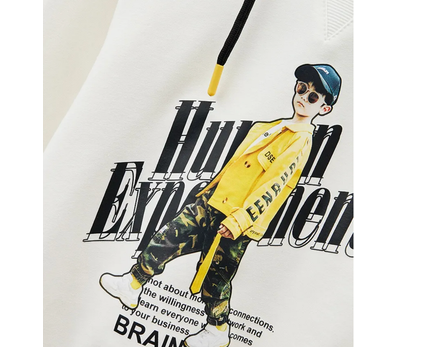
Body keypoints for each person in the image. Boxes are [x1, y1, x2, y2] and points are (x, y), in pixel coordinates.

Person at [100, 63, 342, 347]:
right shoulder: (272, 128)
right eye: (302, 88)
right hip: (213, 201)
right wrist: (207, 193)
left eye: (313, 97)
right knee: (168, 236)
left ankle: (217, 331)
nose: (303, 97)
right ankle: (132, 283)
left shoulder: (299, 141)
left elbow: (273, 187)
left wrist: (240, 221)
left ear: (324, 108)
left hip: (235, 220)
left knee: (215, 278)